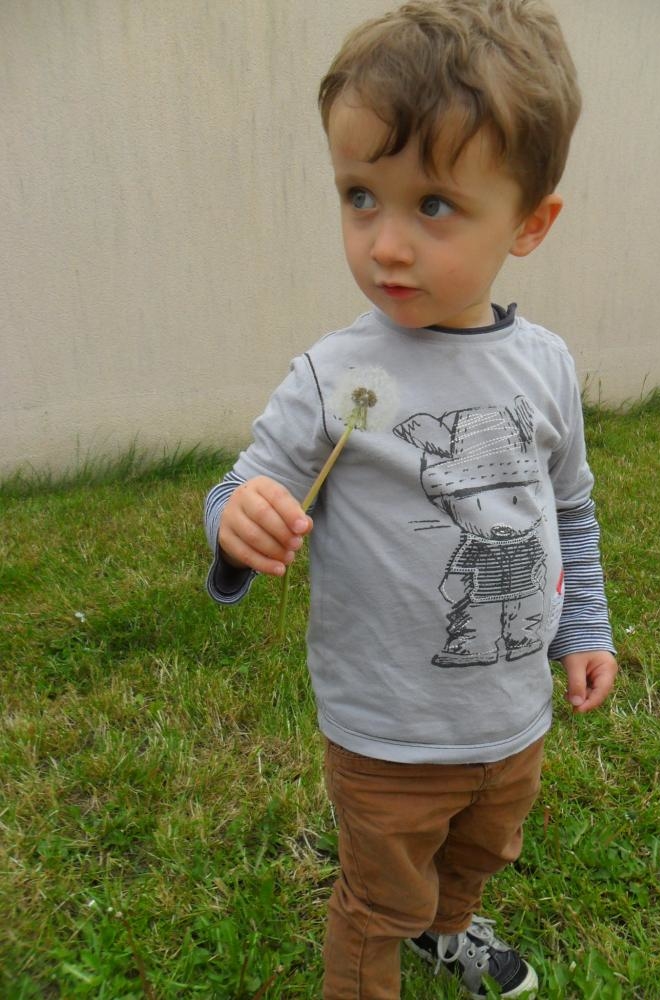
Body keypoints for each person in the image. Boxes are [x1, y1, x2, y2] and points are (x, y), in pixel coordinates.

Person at [204, 1, 618, 996]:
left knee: (479, 853)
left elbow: (568, 507)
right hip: (388, 733)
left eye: (432, 205)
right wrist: (236, 518)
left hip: (511, 718)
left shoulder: (546, 367)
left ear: (530, 223)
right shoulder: (339, 375)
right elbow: (244, 482)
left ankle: (451, 926)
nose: (385, 244)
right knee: (379, 898)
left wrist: (585, 627)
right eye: (360, 197)